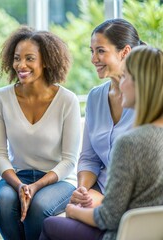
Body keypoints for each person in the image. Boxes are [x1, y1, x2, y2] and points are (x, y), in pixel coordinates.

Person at [40, 46, 163, 240]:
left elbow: (109, 217)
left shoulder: (130, 143)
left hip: (120, 234)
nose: (120, 86)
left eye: (125, 77)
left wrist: (72, 211)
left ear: (141, 84)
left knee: (50, 224)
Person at [0, 26, 81, 239]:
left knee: (38, 207)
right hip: (17, 177)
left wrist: (36, 186)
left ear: (46, 61)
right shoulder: (0, 98)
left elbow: (69, 160)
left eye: (29, 58)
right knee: (3, 201)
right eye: (17, 58)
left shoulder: (67, 100)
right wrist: (21, 185)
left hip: (58, 180)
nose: (21, 65)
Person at [71, 18, 145, 208]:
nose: (93, 59)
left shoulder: (150, 98)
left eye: (101, 51)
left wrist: (105, 203)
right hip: (100, 191)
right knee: (53, 224)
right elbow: (89, 158)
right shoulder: (95, 97)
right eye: (92, 51)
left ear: (125, 52)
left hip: (135, 199)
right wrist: (82, 191)